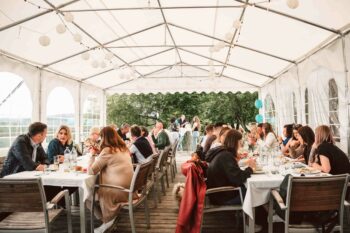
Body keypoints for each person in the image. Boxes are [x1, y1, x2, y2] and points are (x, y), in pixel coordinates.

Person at [87, 126, 134, 233]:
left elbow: (91, 171)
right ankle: (108, 220)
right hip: (129, 188)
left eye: (101, 137)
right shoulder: (123, 148)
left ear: (104, 138)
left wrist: (92, 155)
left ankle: (107, 221)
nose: (99, 139)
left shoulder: (108, 150)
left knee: (87, 197)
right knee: (92, 191)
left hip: (116, 190)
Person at [206, 129, 256, 205]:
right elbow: (237, 178)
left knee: (250, 189)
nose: (240, 145)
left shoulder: (223, 152)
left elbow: (233, 174)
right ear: (235, 142)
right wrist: (250, 168)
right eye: (239, 142)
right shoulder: (226, 155)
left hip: (219, 193)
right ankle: (258, 216)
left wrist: (235, 161)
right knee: (254, 192)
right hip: (222, 196)